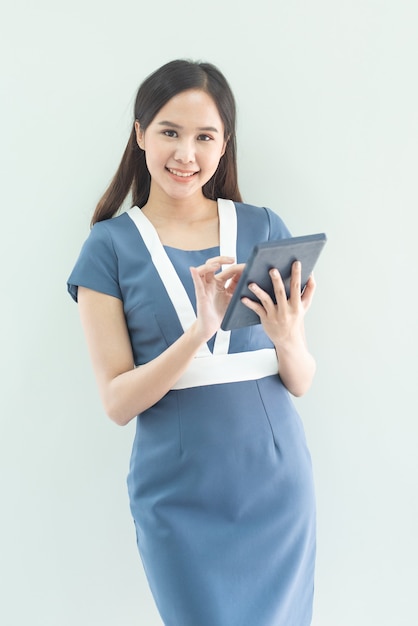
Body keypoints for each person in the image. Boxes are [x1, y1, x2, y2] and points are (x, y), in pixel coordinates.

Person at [67, 59, 317, 626]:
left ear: (224, 144)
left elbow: (299, 380)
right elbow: (117, 402)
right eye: (169, 133)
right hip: (179, 496)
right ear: (140, 135)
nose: (186, 154)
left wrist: (285, 337)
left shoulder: (264, 228)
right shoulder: (107, 249)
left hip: (276, 487)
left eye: (205, 136)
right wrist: (199, 333)